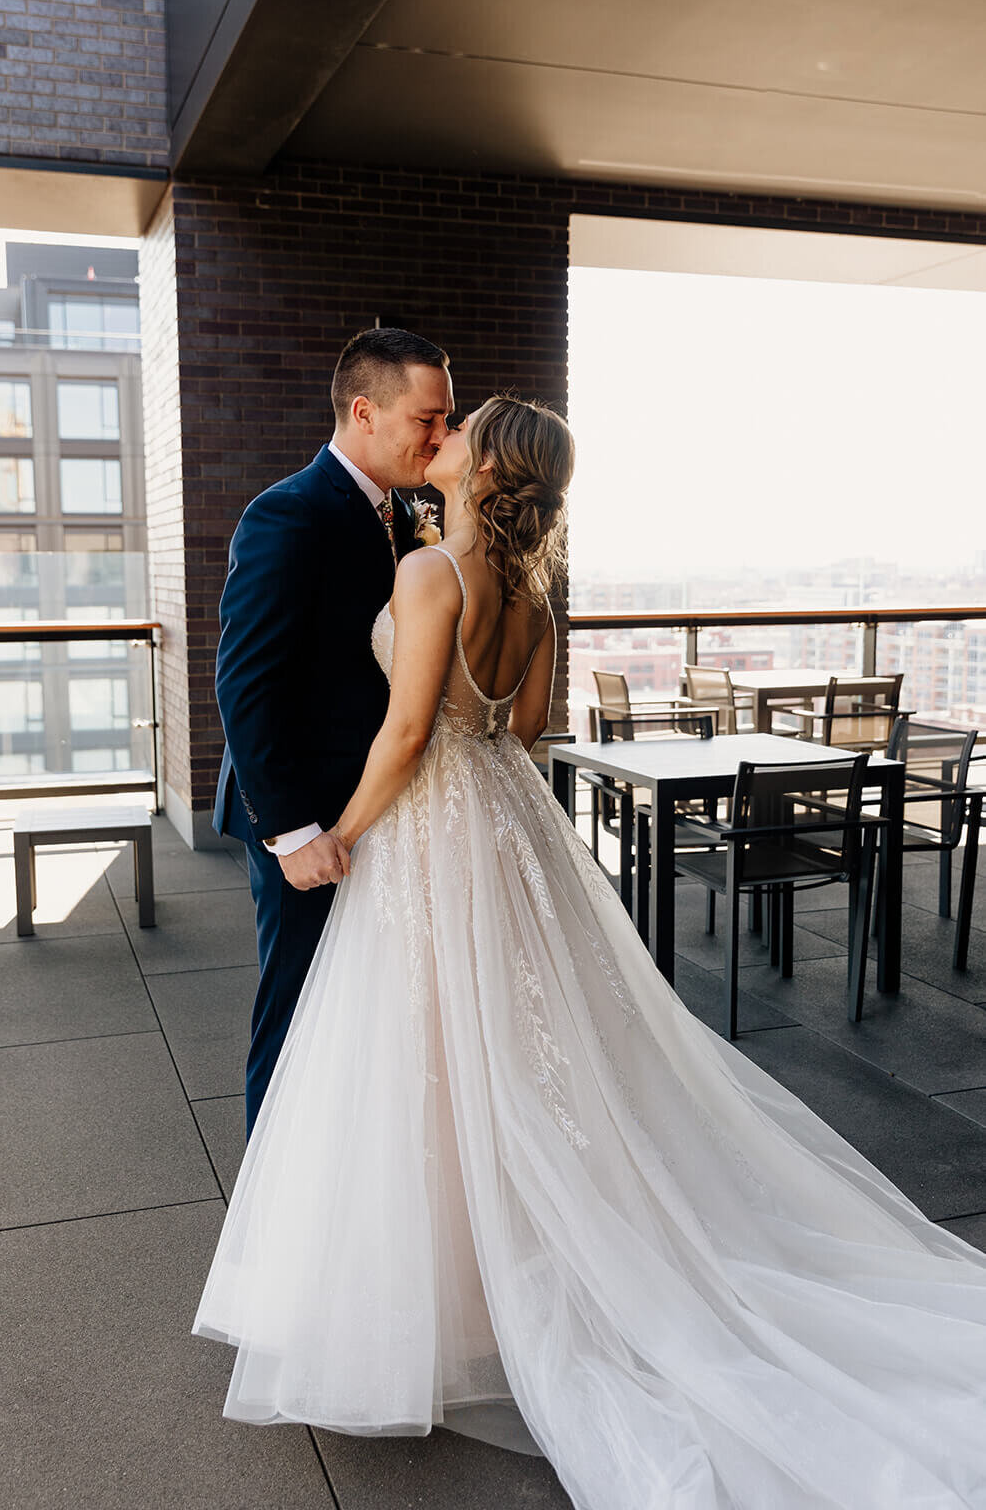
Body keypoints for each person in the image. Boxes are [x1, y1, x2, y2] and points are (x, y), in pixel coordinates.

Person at [197, 397, 986, 1509]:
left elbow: (408, 733)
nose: (445, 436)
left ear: (483, 466)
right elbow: (517, 732)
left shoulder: (429, 575)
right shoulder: (528, 596)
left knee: (422, 1040)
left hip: (428, 823)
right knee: (522, 1039)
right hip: (509, 820)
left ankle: (435, 1289)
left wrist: (342, 833)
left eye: (459, 429)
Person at [212, 326, 454, 1136]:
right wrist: (289, 829)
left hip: (383, 803)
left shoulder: (418, 511)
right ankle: (266, 1226)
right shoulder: (289, 513)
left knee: (362, 1013)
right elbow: (246, 682)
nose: (441, 436)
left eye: (445, 419)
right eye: (427, 418)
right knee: (298, 1009)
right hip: (308, 814)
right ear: (364, 411)